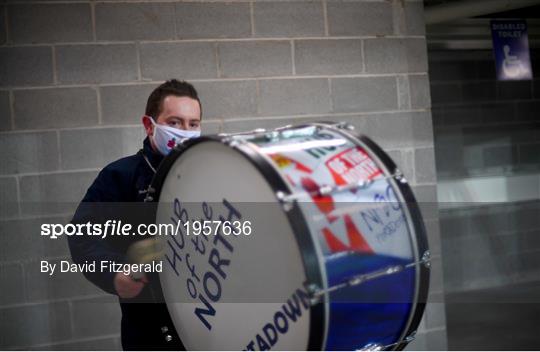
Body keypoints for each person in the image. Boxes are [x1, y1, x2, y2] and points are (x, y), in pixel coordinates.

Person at [69, 79, 202, 350]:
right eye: (175, 123)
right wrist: (115, 273)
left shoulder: (214, 172)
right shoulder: (120, 176)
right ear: (149, 124)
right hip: (150, 331)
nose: (185, 131)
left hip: (208, 324)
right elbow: (81, 235)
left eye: (193, 124)